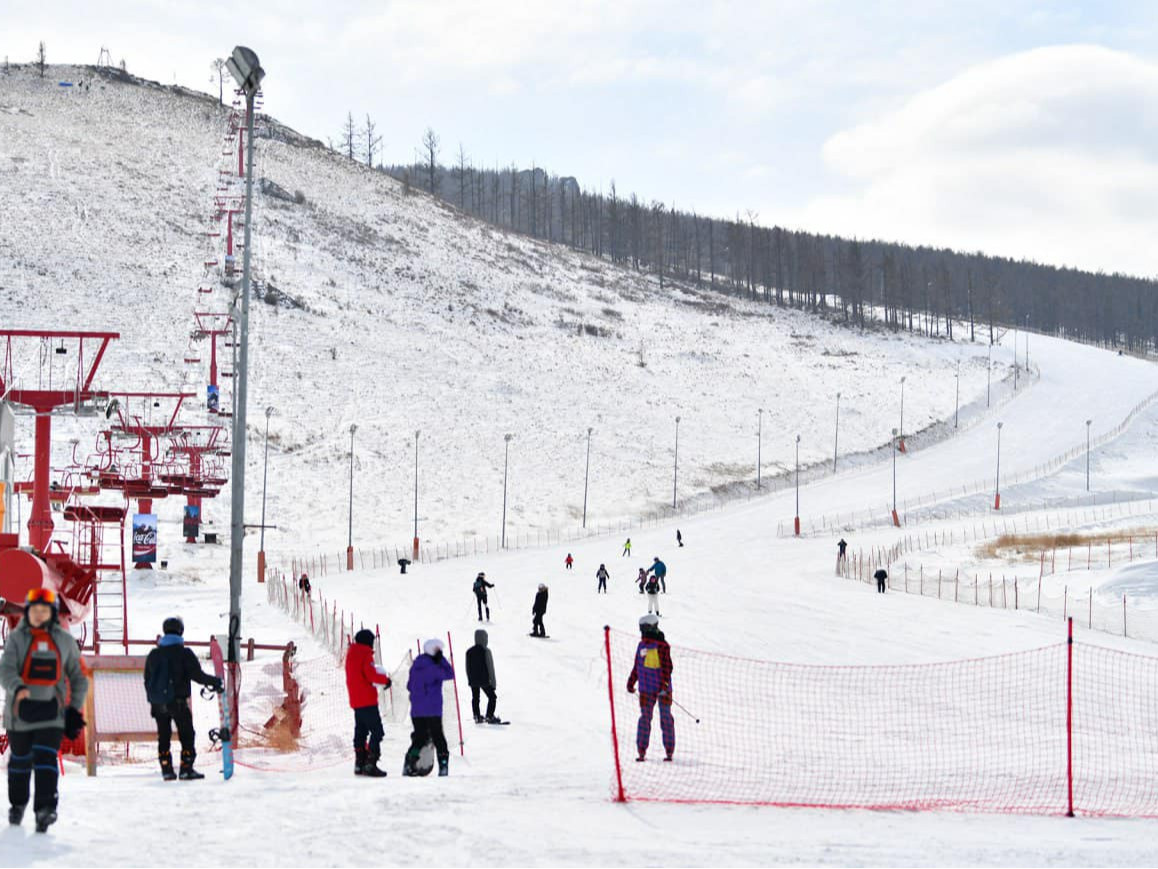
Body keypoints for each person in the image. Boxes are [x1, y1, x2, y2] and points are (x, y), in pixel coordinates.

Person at [0, 589, 88, 833]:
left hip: (52, 714)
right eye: (35, 610)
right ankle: (17, 805)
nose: (39, 615)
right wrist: (18, 688)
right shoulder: (17, 639)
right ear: (28, 612)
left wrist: (74, 709)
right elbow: (5, 670)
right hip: (19, 715)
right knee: (20, 760)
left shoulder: (64, 641)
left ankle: (45, 810)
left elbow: (79, 677)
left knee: (46, 759)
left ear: (52, 612)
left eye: (44, 610)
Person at [144, 616, 222, 781]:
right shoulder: (184, 653)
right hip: (178, 702)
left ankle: (166, 769)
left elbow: (147, 679)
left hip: (158, 703)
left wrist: (153, 698)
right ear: (181, 631)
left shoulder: (154, 654)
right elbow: (197, 675)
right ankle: (186, 768)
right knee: (187, 734)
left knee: (163, 735)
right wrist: (215, 682)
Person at [626, 614, 674, 763]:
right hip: (646, 689)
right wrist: (631, 681)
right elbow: (637, 666)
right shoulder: (641, 646)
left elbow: (668, 667)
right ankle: (641, 750)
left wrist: (665, 684)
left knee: (665, 718)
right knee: (645, 719)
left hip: (662, 689)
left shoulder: (662, 645)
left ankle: (669, 750)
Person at [404, 639, 455, 777]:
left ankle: (409, 763)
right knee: (438, 738)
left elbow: (409, 686)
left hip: (417, 710)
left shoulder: (415, 666)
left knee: (419, 738)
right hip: (433, 709)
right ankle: (443, 766)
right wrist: (442, 659)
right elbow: (450, 674)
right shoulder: (435, 667)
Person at [345, 628, 390, 777]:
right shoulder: (365, 654)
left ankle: (360, 763)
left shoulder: (351, 654)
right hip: (367, 700)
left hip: (356, 700)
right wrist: (385, 680)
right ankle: (371, 763)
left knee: (361, 732)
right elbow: (370, 675)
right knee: (377, 731)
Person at [465, 629, 499, 723]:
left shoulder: (469, 652)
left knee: (475, 698)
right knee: (492, 697)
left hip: (473, 680)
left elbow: (467, 667)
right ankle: (489, 715)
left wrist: (469, 679)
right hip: (484, 679)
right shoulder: (486, 651)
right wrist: (493, 683)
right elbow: (490, 667)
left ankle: (476, 716)